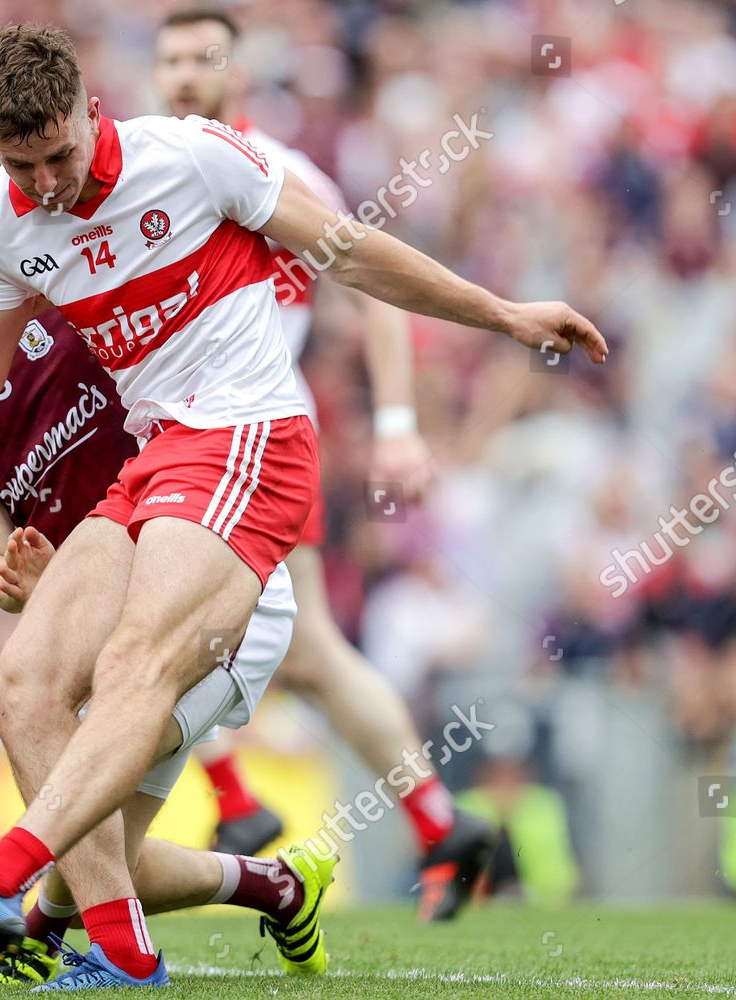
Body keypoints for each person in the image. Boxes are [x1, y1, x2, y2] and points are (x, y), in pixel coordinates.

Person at [0, 23, 604, 989]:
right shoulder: (0, 220)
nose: (50, 183)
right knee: (21, 689)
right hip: (160, 461)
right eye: (22, 165)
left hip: (251, 436)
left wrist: (503, 314)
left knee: (132, 666)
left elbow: (353, 255)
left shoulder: (192, 158)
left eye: (60, 154)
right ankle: (126, 959)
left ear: (90, 109)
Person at [0, 153, 332, 986]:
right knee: (100, 855)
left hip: (214, 589)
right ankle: (275, 883)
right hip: (97, 631)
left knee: (82, 840)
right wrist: (15, 575)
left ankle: (77, 952)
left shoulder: (74, 304)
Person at [150, 6, 495, 920]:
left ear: (239, 73)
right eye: (171, 58)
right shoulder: (148, 170)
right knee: (304, 657)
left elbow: (379, 288)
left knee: (163, 632)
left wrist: (394, 422)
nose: (185, 73)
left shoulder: (279, 174)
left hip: (249, 439)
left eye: (203, 57)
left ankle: (241, 806)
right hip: (187, 441)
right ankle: (433, 820)